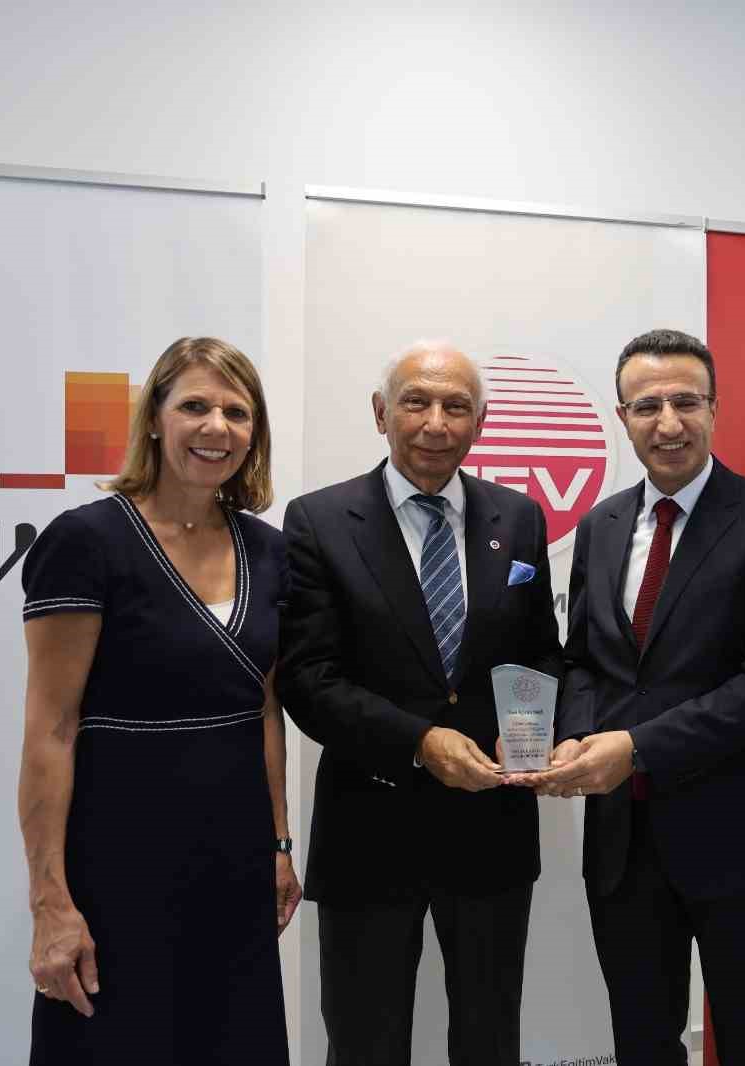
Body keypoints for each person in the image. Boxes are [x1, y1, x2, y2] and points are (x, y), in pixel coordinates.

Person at [519, 328, 745, 1065]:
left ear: (716, 409)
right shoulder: (600, 525)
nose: (669, 422)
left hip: (740, 834)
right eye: (648, 405)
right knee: (642, 1041)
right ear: (622, 417)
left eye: (687, 401)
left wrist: (636, 747)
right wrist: (575, 733)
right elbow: (583, 661)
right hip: (623, 842)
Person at [277, 339, 561, 1066]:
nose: (436, 423)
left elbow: (539, 652)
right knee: (364, 1044)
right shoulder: (318, 520)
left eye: (456, 406)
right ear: (381, 413)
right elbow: (308, 678)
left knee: (490, 1040)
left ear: (480, 423)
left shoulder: (519, 518)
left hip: (492, 829)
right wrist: (419, 742)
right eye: (416, 402)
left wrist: (528, 732)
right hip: (370, 830)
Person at [17, 336, 297, 1065]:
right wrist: (50, 900)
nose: (217, 428)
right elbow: (51, 730)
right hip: (117, 868)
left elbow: (264, 710)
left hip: (233, 867)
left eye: (237, 412)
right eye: (195, 406)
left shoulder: (269, 551)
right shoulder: (85, 541)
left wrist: (278, 845)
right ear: (153, 419)